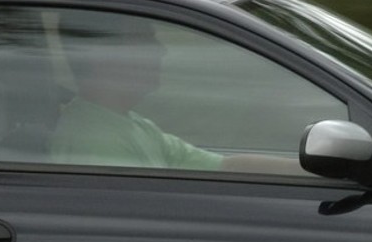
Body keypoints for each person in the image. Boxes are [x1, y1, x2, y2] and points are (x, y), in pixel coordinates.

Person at [47, 11, 304, 175]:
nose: (161, 51)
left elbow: (226, 167)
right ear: (102, 56)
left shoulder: (131, 125)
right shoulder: (98, 143)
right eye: (144, 39)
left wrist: (312, 171)